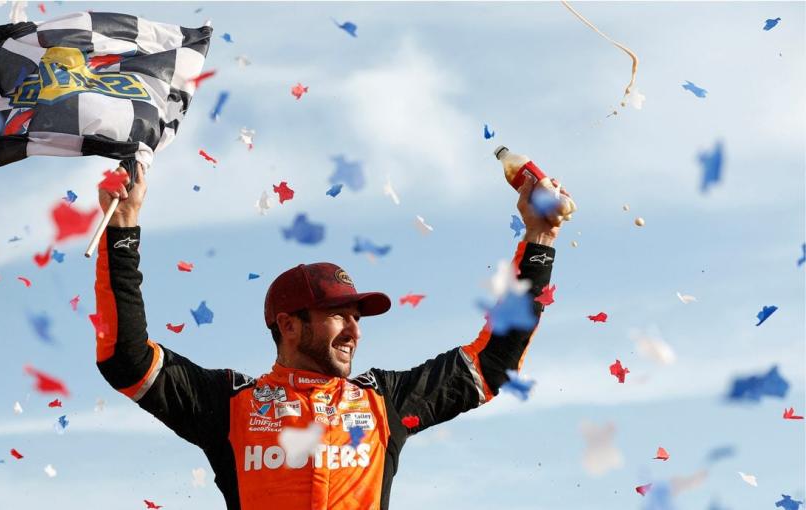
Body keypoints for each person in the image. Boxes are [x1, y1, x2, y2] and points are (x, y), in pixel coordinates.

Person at [94, 162, 568, 510]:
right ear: (289, 325)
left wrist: (539, 238)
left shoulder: (385, 400)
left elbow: (493, 363)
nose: (355, 331)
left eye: (357, 317)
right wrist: (122, 224)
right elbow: (126, 358)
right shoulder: (229, 403)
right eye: (338, 315)